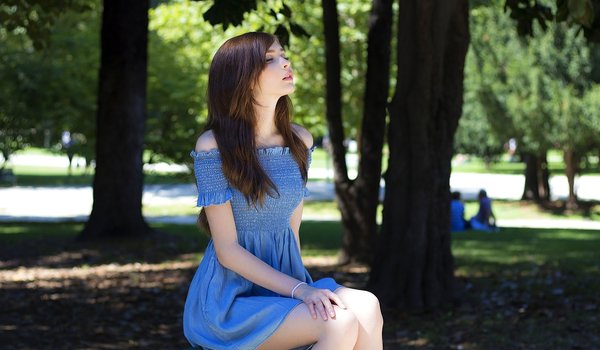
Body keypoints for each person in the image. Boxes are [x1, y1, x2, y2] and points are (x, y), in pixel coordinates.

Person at [183, 32, 383, 350]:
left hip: (286, 284)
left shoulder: (300, 141)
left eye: (283, 54)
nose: (285, 62)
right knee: (339, 323)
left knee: (368, 307)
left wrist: (301, 287)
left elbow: (292, 228)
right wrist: (300, 292)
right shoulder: (213, 146)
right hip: (230, 299)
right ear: (242, 78)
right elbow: (227, 250)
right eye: (269, 59)